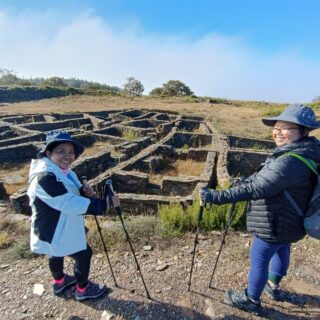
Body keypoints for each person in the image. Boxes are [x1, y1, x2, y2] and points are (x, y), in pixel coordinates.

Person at [200, 104, 320, 314]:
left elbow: (258, 188)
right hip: (290, 221)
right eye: (276, 127)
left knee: (259, 258)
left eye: (285, 128)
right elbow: (264, 177)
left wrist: (215, 196)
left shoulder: (290, 160)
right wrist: (244, 181)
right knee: (283, 249)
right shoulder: (304, 152)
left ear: (303, 131)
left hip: (274, 221)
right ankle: (273, 286)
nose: (278, 131)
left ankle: (251, 299)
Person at [27, 130, 120, 301]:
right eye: (61, 151)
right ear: (48, 153)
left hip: (53, 225)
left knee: (55, 252)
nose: (68, 156)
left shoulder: (64, 171)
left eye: (71, 152)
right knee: (84, 254)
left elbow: (73, 194)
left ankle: (59, 282)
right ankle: (83, 290)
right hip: (55, 228)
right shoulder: (44, 177)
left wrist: (85, 193)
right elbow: (69, 203)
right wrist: (104, 204)